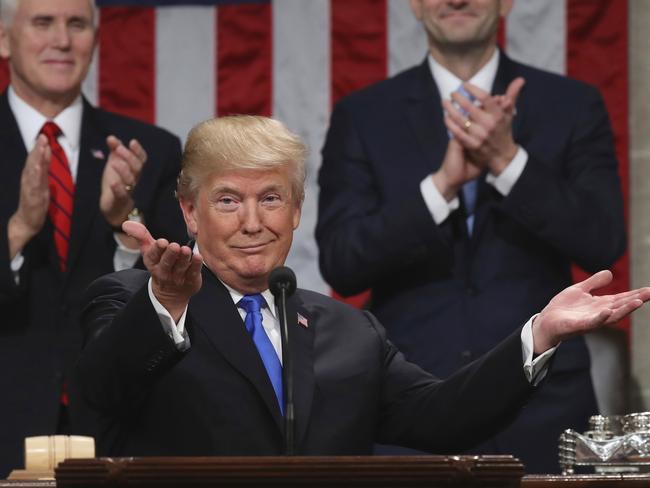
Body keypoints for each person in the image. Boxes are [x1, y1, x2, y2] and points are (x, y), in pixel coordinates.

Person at [74, 115, 647, 461]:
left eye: (271, 197)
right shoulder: (131, 302)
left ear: (297, 210)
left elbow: (444, 417)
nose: (252, 221)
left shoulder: (347, 330)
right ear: (190, 213)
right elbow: (100, 395)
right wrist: (166, 304)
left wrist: (539, 333)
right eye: (228, 200)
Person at [315, 0, 626, 473]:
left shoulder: (571, 104)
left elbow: (604, 242)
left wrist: (508, 161)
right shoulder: (363, 113)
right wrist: (441, 187)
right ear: (416, 7)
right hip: (409, 407)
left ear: (507, 3)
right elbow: (341, 262)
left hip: (542, 405)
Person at [0, 0, 186, 476]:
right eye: (43, 22)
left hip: (116, 423)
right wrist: (19, 228)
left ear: (96, 40)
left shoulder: (151, 151)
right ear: (4, 40)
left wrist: (124, 224)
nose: (62, 40)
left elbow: (179, 300)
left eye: (77, 24)